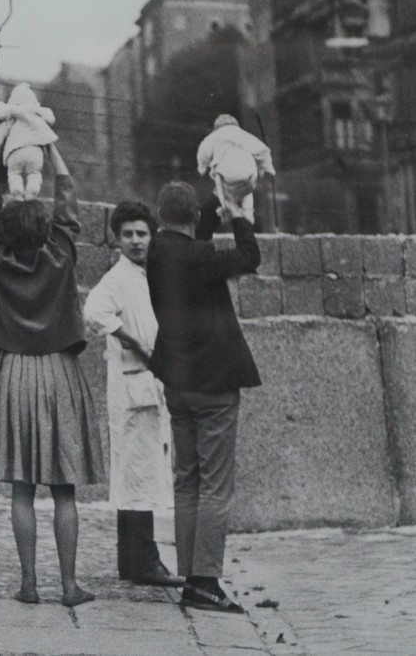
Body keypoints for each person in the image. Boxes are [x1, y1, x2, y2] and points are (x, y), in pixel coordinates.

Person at [0, 134, 105, 608]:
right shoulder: (62, 253)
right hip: (59, 372)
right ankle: (70, 587)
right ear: (48, 228)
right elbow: (69, 205)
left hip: (13, 373)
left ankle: (29, 583)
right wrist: (51, 148)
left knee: (22, 489)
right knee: (64, 489)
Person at [146, 182, 261, 613]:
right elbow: (250, 257)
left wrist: (218, 197)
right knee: (216, 486)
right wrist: (240, 215)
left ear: (159, 216)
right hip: (213, 384)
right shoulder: (201, 258)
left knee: (187, 481)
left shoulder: (157, 250)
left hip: (177, 381)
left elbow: (197, 237)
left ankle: (190, 576)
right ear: (192, 217)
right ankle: (206, 581)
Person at [84, 201, 183, 588]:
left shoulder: (149, 274)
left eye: (142, 233)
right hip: (133, 383)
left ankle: (131, 560)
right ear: (117, 238)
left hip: (147, 382)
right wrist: (132, 339)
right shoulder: (117, 278)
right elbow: (93, 313)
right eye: (128, 234)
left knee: (137, 472)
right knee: (138, 472)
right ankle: (145, 561)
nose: (136, 240)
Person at [196, 114, 275, 225]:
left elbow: (203, 151)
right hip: (249, 172)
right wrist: (267, 168)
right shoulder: (244, 135)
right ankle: (248, 212)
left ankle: (225, 210)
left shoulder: (215, 136)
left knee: (223, 193)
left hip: (227, 174)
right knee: (247, 191)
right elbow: (262, 150)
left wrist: (202, 167)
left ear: (216, 128)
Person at [0, 82, 58, 200]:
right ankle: (32, 190)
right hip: (34, 151)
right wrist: (37, 110)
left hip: (14, 151)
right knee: (34, 173)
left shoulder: (10, 110)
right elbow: (51, 118)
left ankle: (16, 190)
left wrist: (9, 109)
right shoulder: (35, 110)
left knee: (14, 174)